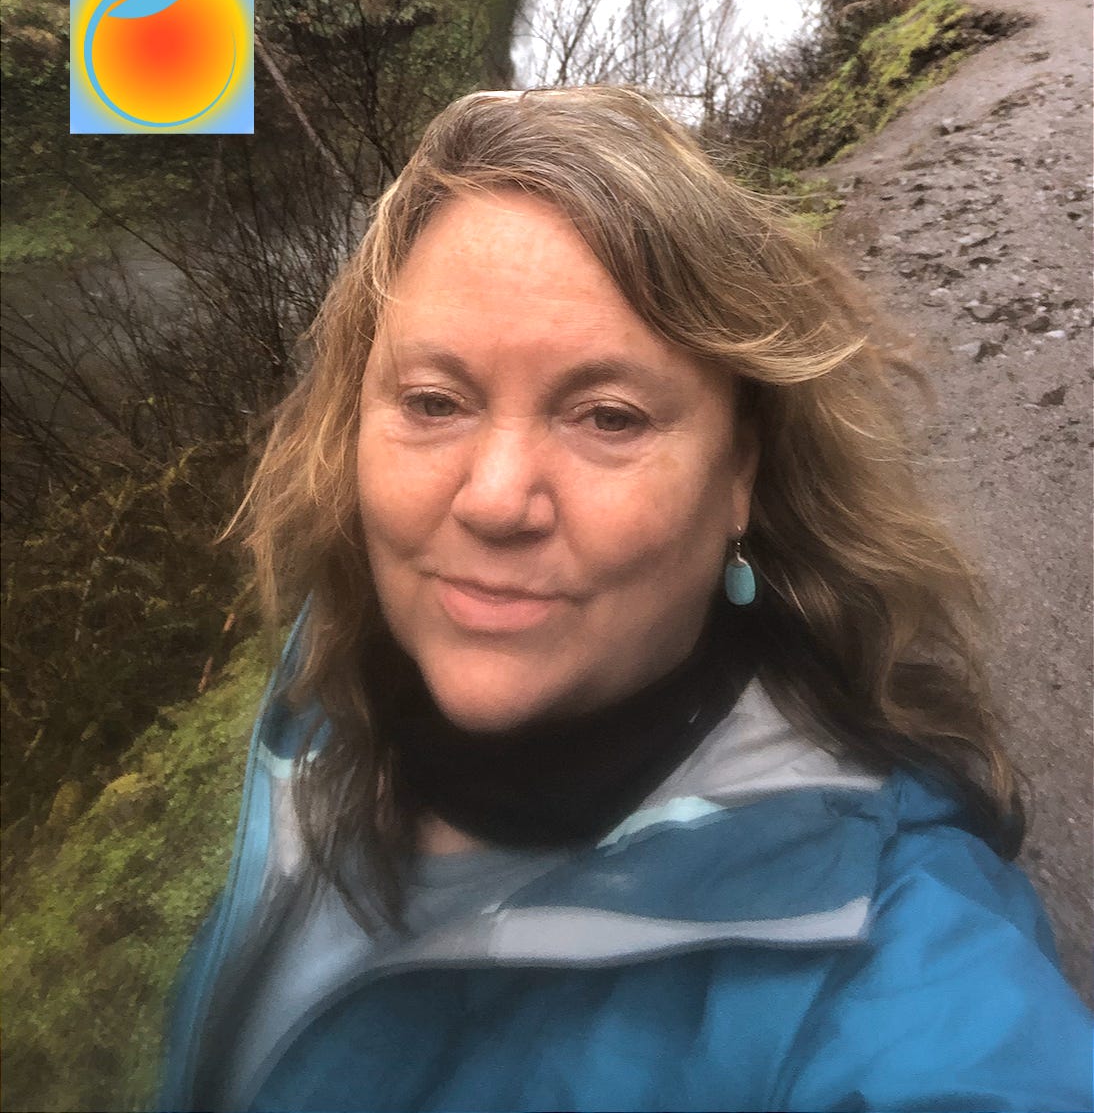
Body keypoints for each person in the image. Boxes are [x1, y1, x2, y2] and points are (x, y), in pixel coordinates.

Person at [160, 87, 1092, 1112]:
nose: (494, 498)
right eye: (432, 403)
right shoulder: (338, 671)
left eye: (606, 416)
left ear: (740, 471)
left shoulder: (880, 980)